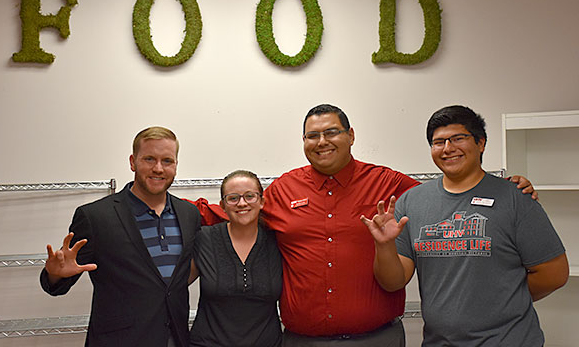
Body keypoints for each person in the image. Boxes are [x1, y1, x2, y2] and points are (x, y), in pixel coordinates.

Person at [197, 103, 537, 346]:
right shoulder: (285, 189)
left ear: (351, 135)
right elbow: (234, 210)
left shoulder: (388, 183)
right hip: (301, 341)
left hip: (378, 338)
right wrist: (159, 204)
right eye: (311, 135)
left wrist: (504, 188)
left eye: (331, 132)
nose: (321, 141)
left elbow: (449, 198)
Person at [361, 105, 569, 346]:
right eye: (438, 142)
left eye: (458, 138)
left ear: (480, 143)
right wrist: (384, 245)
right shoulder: (412, 201)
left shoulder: (515, 197)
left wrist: (506, 300)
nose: (448, 148)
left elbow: (554, 274)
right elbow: (393, 281)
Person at [40, 126, 202, 347]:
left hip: (175, 339)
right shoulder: (95, 217)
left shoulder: (189, 214)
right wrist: (55, 274)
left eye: (167, 161)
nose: (158, 168)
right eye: (149, 159)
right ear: (132, 162)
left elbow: (175, 280)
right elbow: (57, 284)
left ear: (176, 165)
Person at [189, 170, 282, 347]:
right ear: (222, 205)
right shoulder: (204, 239)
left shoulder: (278, 242)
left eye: (249, 196)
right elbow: (174, 286)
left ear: (262, 202)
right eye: (233, 198)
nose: (241, 203)